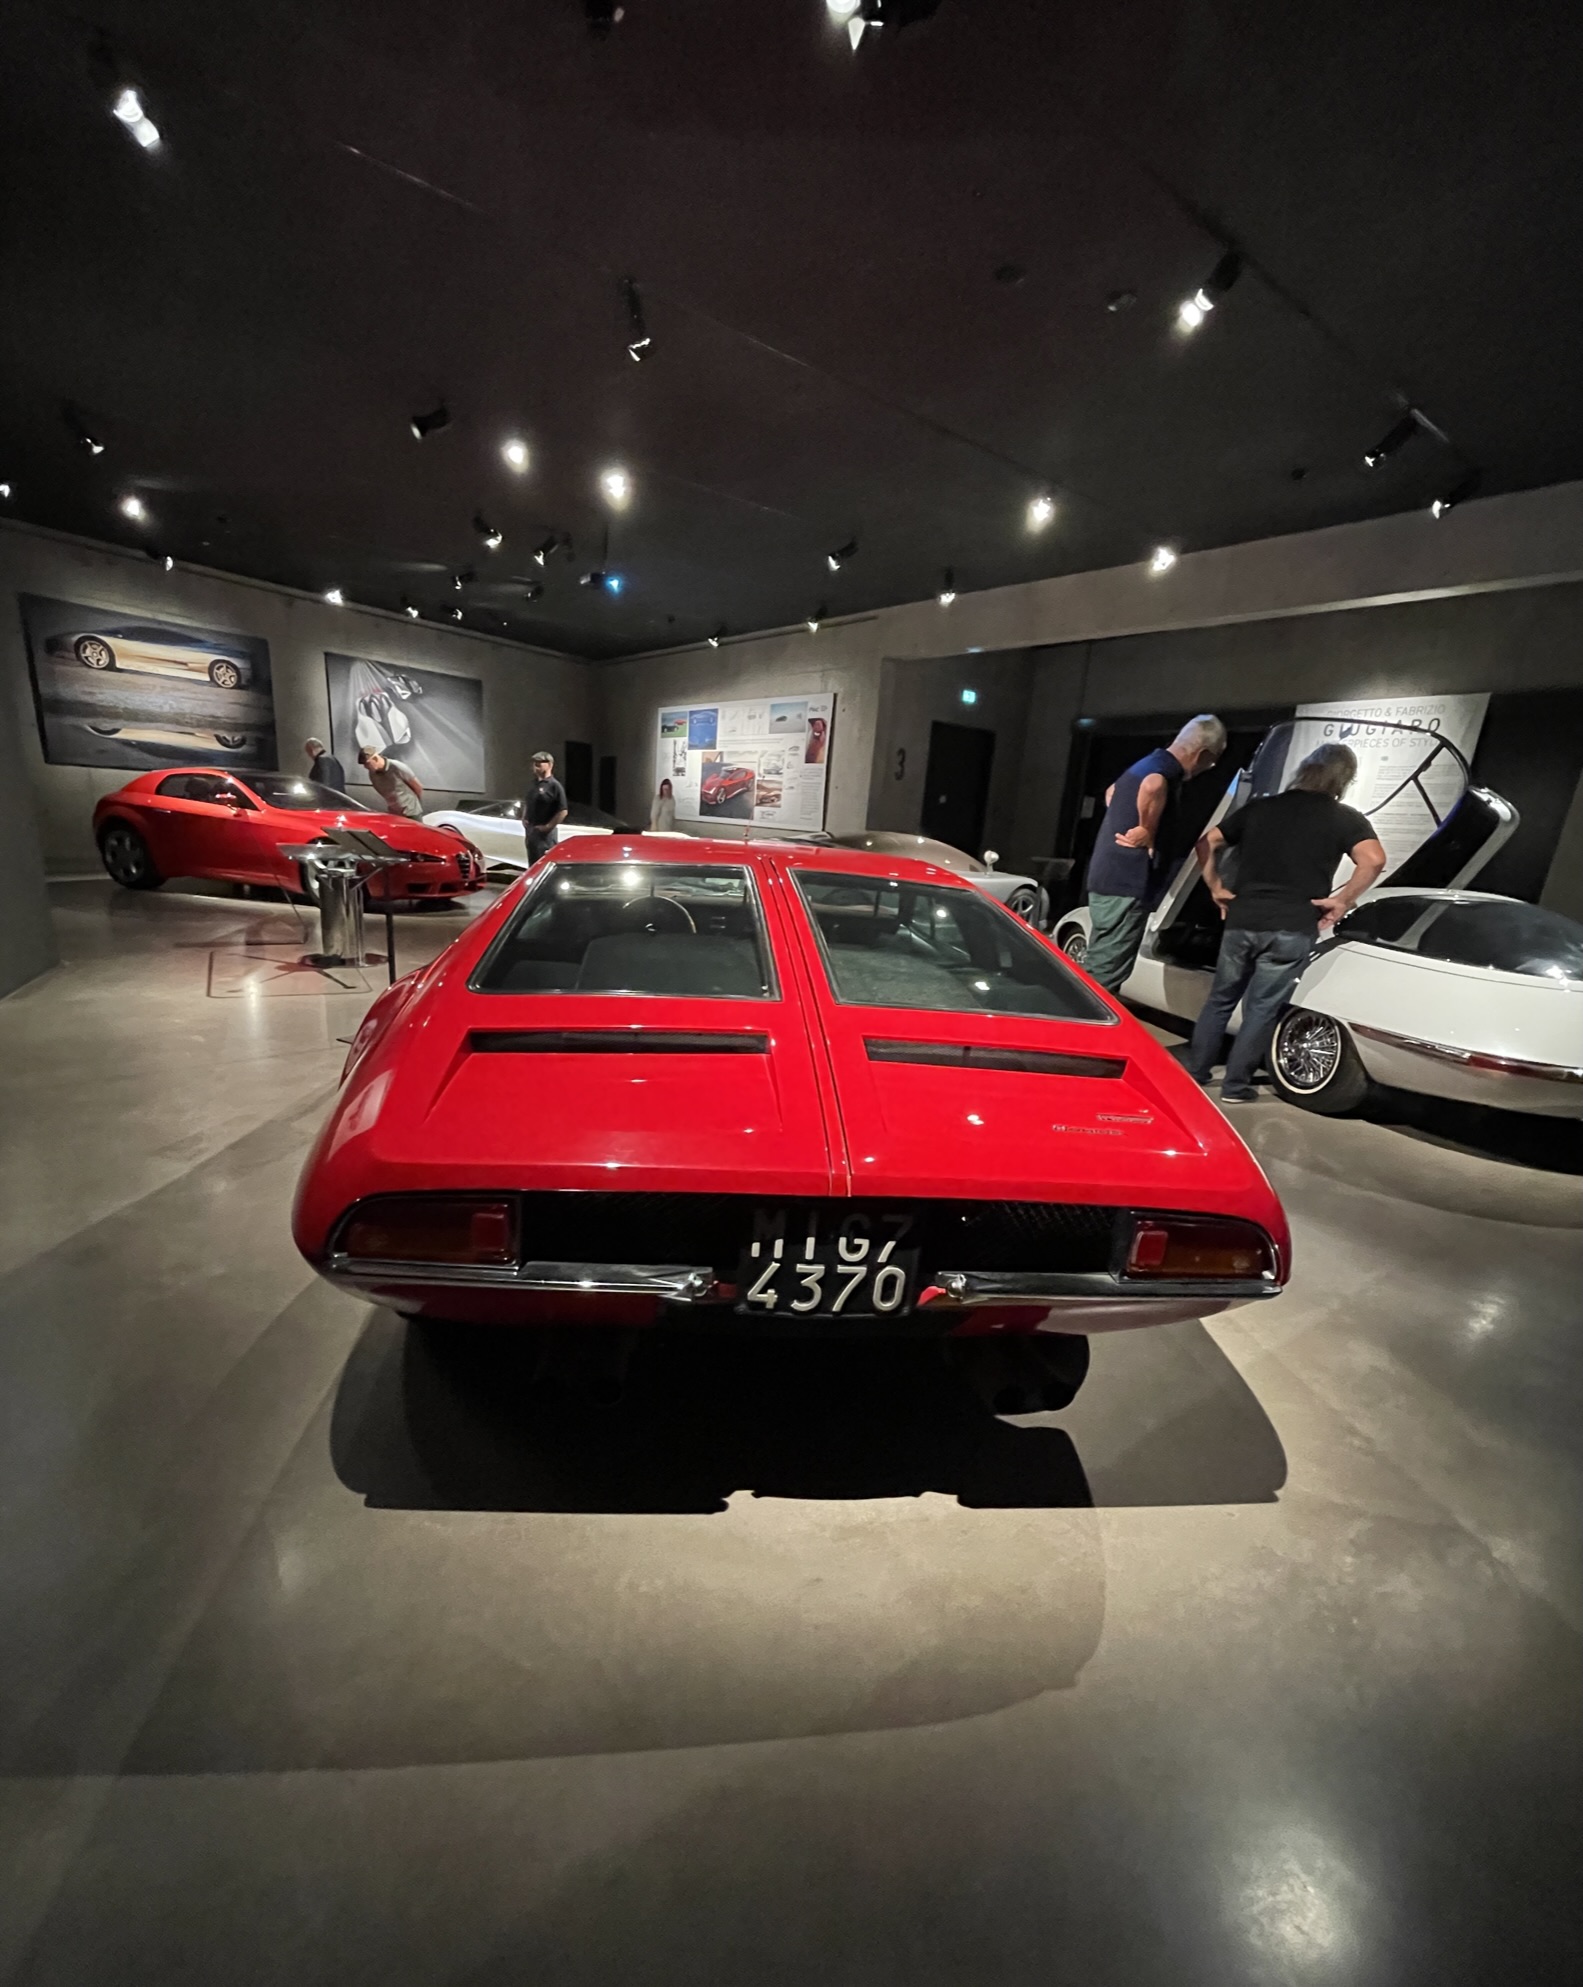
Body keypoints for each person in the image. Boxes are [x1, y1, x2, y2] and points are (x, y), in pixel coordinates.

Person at [1184, 740, 1387, 1102]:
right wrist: (1342, 901)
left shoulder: (1260, 808)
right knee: (1262, 1009)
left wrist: (1216, 887)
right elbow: (1373, 860)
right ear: (1344, 779)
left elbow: (1207, 843)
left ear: (1305, 769)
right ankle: (1235, 1087)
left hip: (1244, 919)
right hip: (1293, 924)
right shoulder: (1344, 818)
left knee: (1220, 1000)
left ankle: (1196, 1074)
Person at [1083, 714, 1228, 994]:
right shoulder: (1164, 771)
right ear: (1203, 754)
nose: (1211, 766)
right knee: (1106, 973)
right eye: (1213, 759)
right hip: (1127, 885)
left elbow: (1112, 791)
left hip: (1108, 877)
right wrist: (1146, 828)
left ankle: (1083, 1016)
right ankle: (1086, 1021)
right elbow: (1153, 785)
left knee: (1099, 961)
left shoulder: (1146, 763)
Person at [524, 750, 569, 863]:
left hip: (545, 836)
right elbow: (528, 802)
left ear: (549, 764)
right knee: (533, 864)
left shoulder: (554, 786)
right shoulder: (534, 784)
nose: (536, 766)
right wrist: (524, 817)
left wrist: (548, 826)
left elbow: (563, 811)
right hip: (531, 832)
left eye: (540, 763)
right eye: (535, 763)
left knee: (544, 863)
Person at [358, 747, 424, 819]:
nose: (365, 767)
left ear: (375, 759)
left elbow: (417, 787)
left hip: (411, 813)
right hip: (394, 813)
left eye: (367, 763)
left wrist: (415, 805)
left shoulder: (397, 767)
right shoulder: (372, 774)